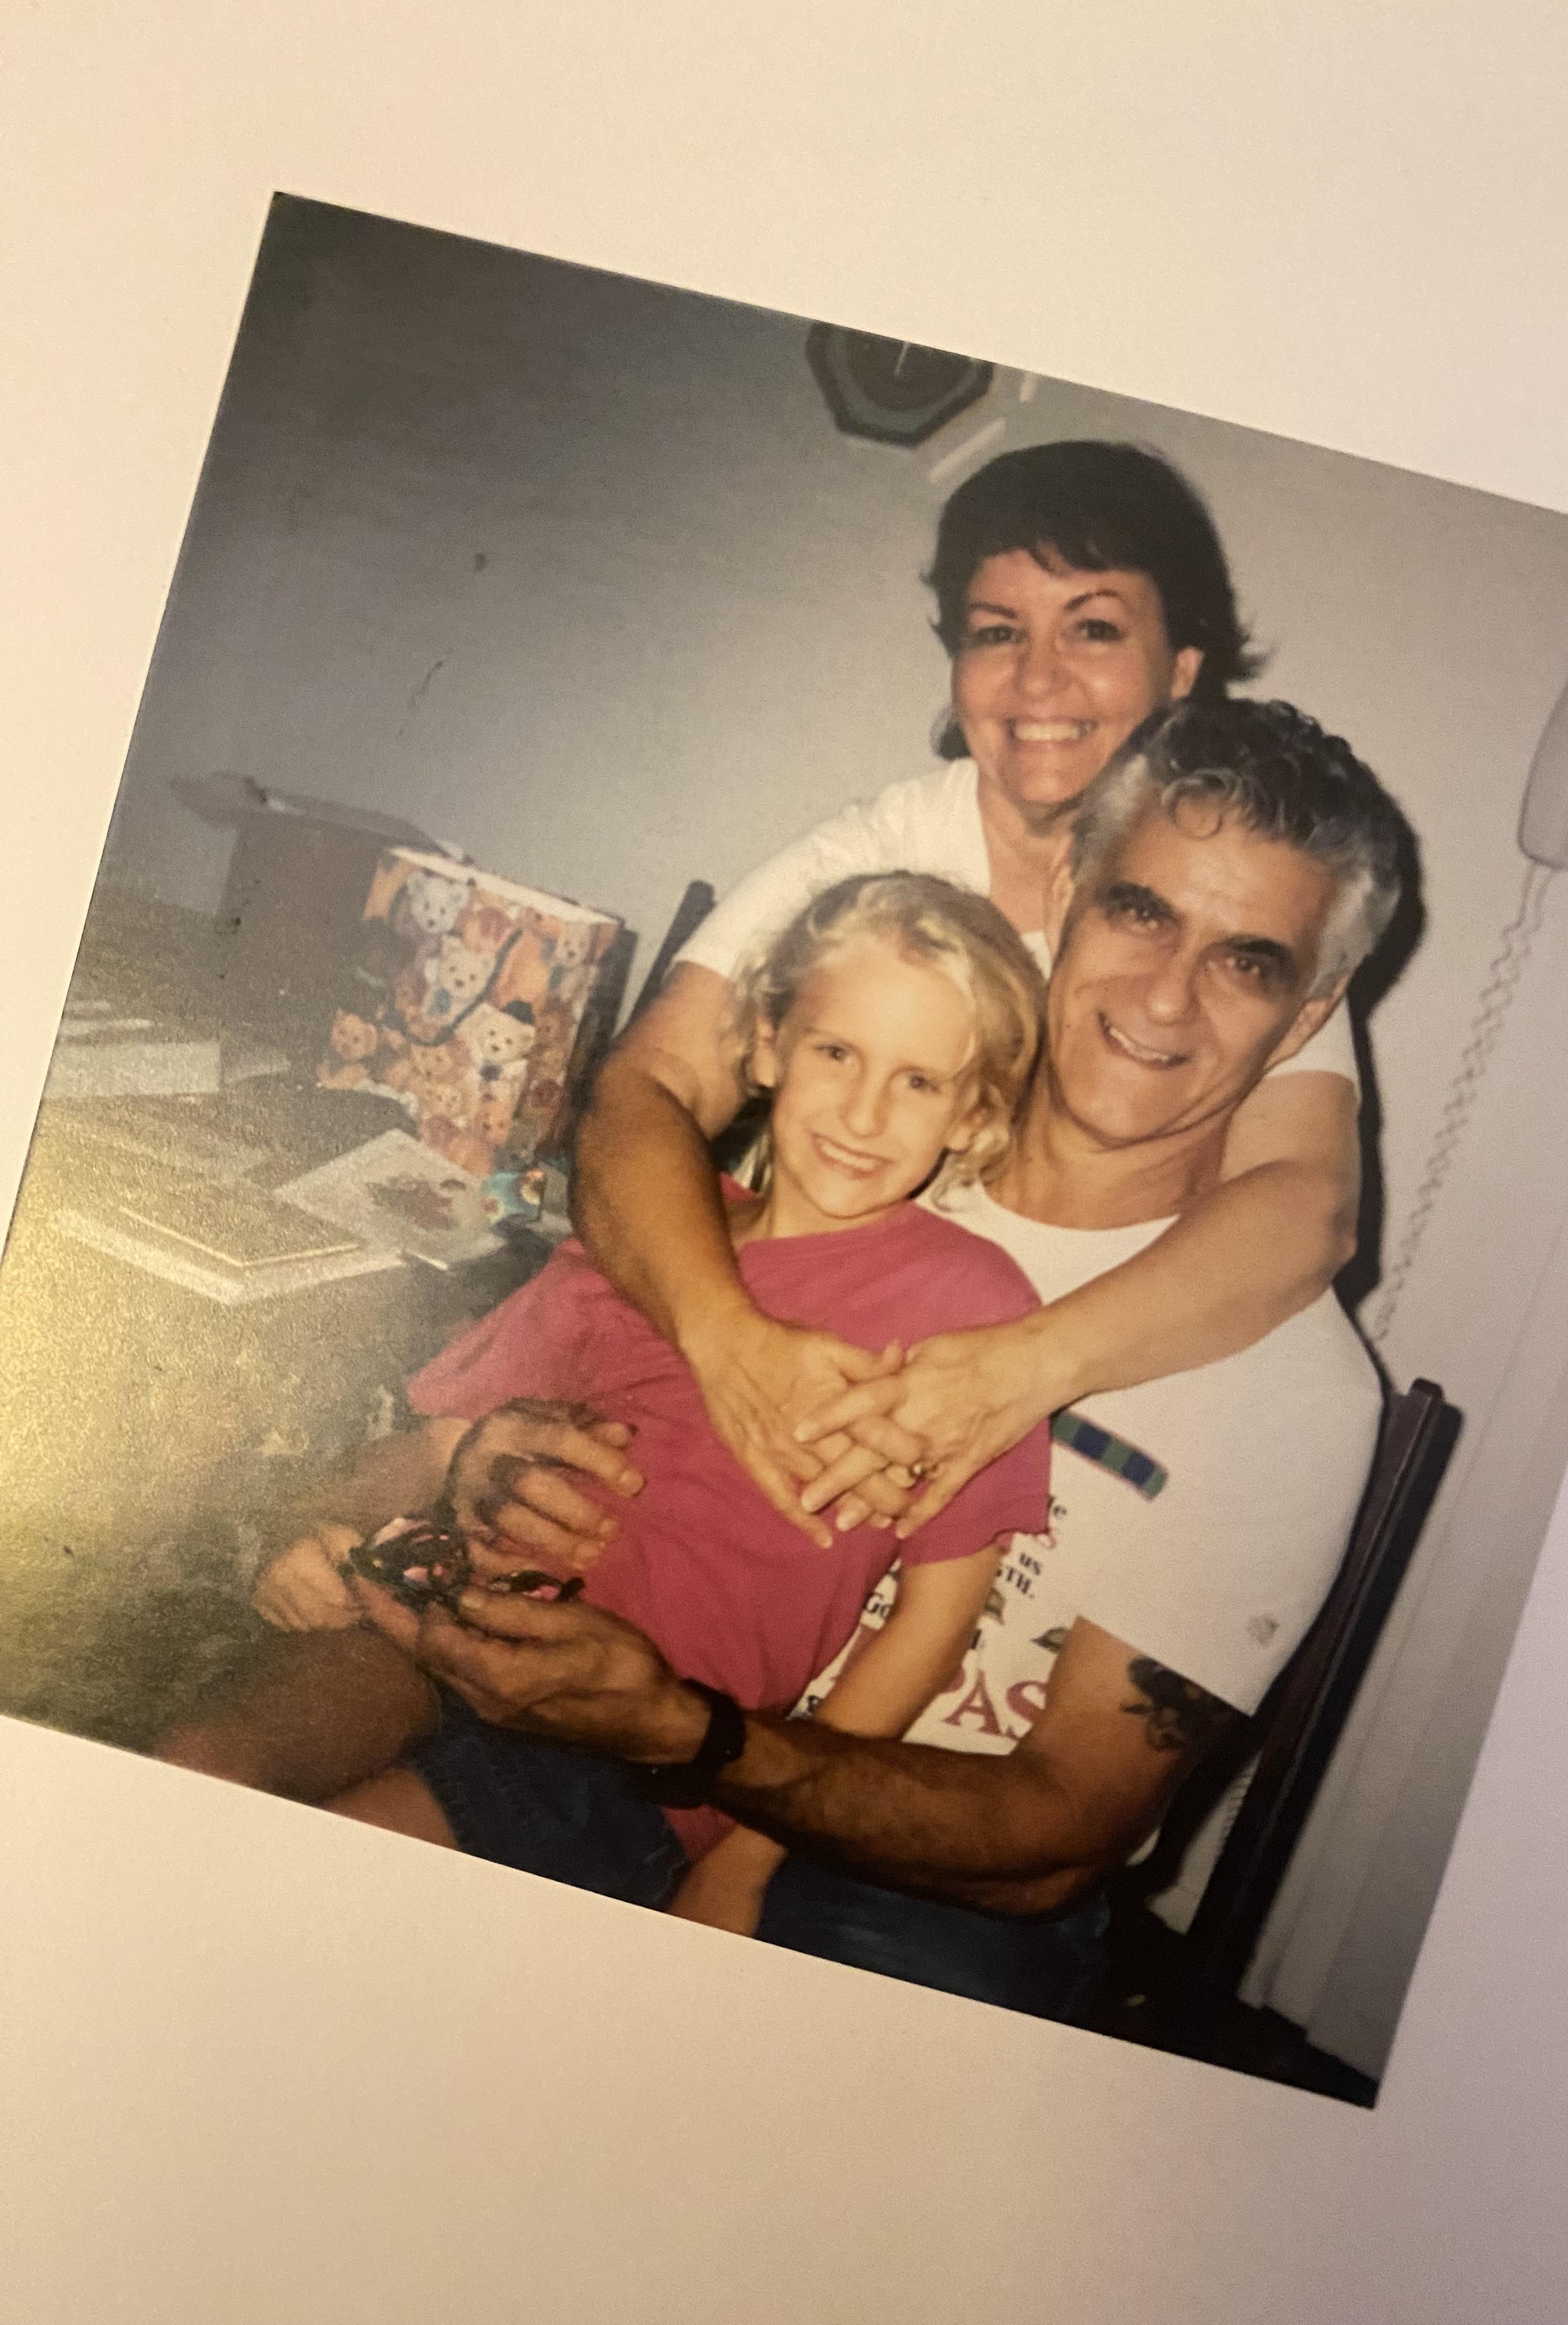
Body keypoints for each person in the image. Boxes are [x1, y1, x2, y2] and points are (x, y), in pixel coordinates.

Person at [399, 697, 1411, 2020]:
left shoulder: (1296, 1390)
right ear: (1067, 895)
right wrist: (496, 1463)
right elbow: (601, 1345)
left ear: (1308, 1013)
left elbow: (1055, 1839)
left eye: (1249, 962)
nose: (1167, 993)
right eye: (1144, 913)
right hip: (605, 1722)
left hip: (917, 1888)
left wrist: (700, 1747)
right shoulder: (872, 1155)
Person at [157, 875, 1053, 1939]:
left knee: (306, 1905)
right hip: (437, 1626)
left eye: (917, 1081)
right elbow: (436, 1450)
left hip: (616, 1751)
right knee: (188, 1783)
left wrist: (754, 1856)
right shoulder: (651, 1225)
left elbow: (936, 1617)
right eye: (836, 1053)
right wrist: (313, 1534)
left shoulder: (966, 1305)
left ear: (975, 1110)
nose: (864, 1113)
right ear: (767, 1045)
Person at [572, 439, 1366, 1555]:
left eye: (1093, 629)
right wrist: (727, 1340)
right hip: (781, 1375)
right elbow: (642, 1089)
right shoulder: (882, 850)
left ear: (1183, 669)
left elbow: (1305, 1210)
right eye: (999, 633)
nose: (1039, 682)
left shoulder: (1225, 905)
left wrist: (1016, 1372)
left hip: (1022, 1418)